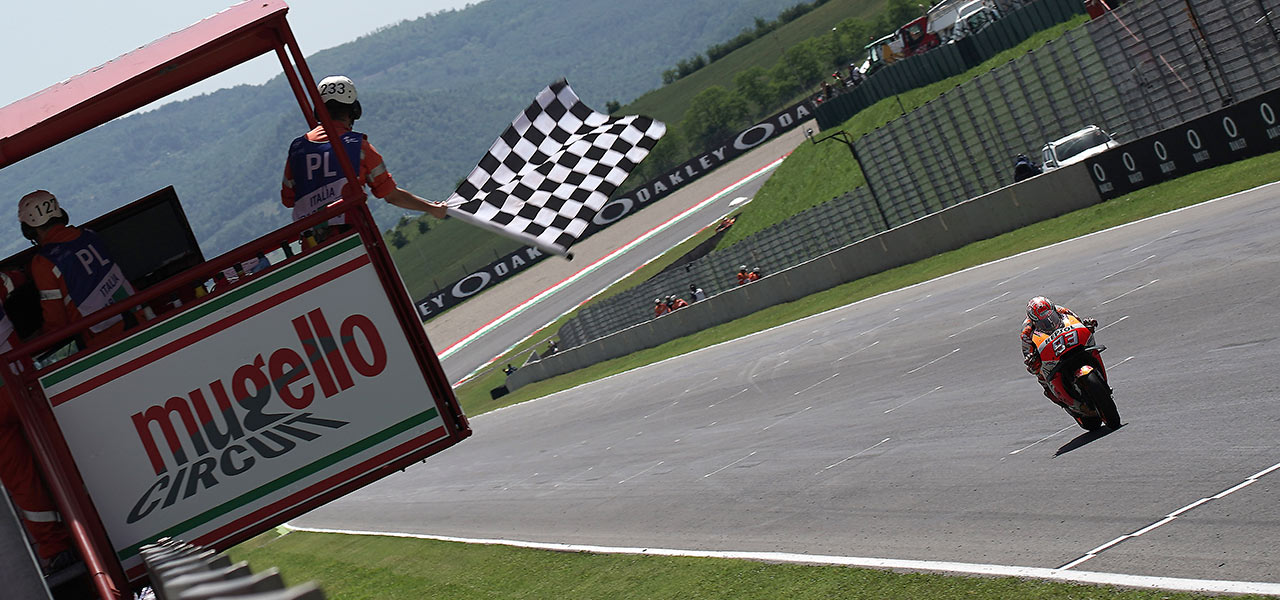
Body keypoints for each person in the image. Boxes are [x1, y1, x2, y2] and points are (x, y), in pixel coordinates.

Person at [281, 75, 447, 235]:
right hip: (354, 238)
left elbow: (288, 200)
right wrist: (432, 208)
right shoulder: (359, 147)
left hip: (311, 246)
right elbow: (391, 195)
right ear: (355, 110)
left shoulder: (297, 148)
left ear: (318, 111)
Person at [0, 266, 76, 573]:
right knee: (62, 453)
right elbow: (14, 279)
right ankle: (93, 521)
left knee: (22, 481)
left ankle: (56, 549)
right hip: (18, 384)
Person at [21, 191, 138, 345]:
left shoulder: (44, 262)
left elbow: (57, 323)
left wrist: (35, 341)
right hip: (138, 316)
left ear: (29, 231)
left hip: (105, 340)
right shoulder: (90, 235)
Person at [1020, 296, 1097, 410]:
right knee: (1042, 378)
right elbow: (1027, 354)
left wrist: (1087, 326)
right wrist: (1032, 361)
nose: (1048, 321)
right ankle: (1068, 404)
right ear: (1034, 320)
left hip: (1068, 341)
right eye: (1043, 321)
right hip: (1048, 352)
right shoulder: (1027, 331)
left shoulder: (1062, 310)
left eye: (1050, 316)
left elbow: (1077, 322)